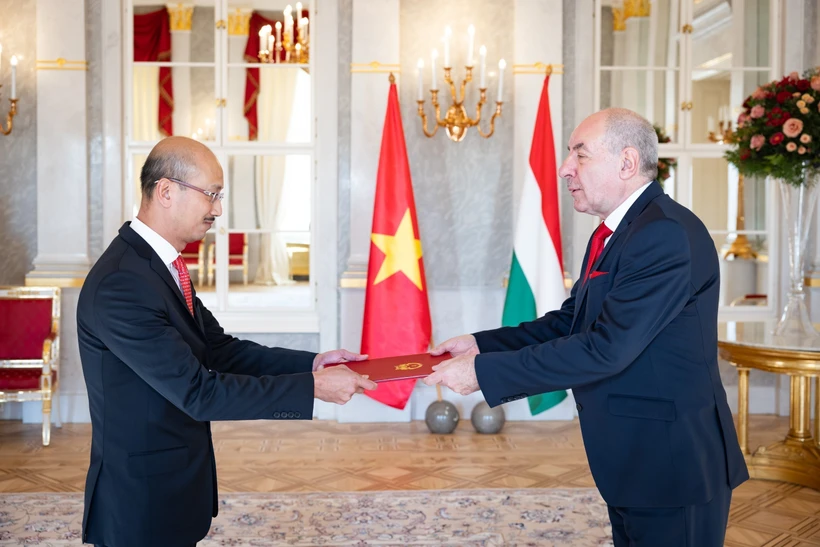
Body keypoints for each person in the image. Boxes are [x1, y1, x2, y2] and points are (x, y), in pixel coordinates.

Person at [423, 108, 748, 546]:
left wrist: (483, 375)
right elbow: (569, 322)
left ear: (627, 163)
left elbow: (605, 348)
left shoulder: (663, 234)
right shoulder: (617, 232)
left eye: (580, 155)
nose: (564, 169)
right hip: (636, 458)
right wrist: (480, 346)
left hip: (671, 464)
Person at [77, 136, 377, 547]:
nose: (217, 209)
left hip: (173, 484)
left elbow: (219, 350)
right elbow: (198, 392)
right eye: (211, 195)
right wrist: (312, 390)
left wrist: (313, 365)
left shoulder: (159, 268)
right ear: (166, 191)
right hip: (141, 501)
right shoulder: (121, 284)